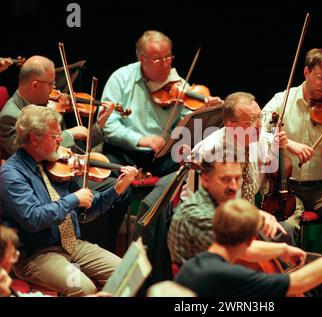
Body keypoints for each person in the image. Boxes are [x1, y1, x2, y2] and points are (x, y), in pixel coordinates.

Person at [0, 105, 139, 296]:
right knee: (84, 288)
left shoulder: (56, 163)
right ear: (34, 138)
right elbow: (33, 219)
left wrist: (116, 190)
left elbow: (85, 212)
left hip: (72, 244)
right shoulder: (12, 175)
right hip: (36, 254)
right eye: (54, 136)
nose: (60, 140)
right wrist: (73, 199)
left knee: (126, 273)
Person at [0, 55, 130, 253]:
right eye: (51, 84)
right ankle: (76, 245)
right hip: (39, 180)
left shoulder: (48, 107)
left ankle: (101, 246)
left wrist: (98, 126)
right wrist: (69, 133)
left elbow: (72, 151)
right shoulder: (11, 115)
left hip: (60, 172)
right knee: (98, 193)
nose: (56, 90)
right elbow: (23, 152)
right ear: (35, 84)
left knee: (119, 187)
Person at [174, 199, 322, 297]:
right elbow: (299, 282)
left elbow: (247, 251)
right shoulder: (229, 275)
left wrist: (282, 250)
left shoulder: (194, 265)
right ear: (249, 239)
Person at [100, 29, 222, 177]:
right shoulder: (120, 79)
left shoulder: (179, 86)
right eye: (158, 59)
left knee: (192, 169)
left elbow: (186, 126)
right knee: (108, 173)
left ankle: (157, 199)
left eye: (169, 57)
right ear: (142, 59)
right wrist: (141, 140)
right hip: (123, 152)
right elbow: (108, 125)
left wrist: (203, 113)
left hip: (162, 156)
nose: (166, 65)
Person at [261, 48, 322, 248]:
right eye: (320, 78)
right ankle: (292, 274)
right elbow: (255, 130)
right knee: (287, 227)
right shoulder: (282, 100)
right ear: (306, 72)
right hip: (287, 188)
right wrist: (286, 143)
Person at [168, 155, 305, 267]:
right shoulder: (197, 214)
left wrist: (255, 214)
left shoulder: (219, 201)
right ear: (205, 179)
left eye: (237, 179)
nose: (233, 187)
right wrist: (284, 250)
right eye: (225, 180)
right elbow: (240, 251)